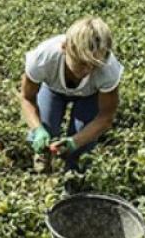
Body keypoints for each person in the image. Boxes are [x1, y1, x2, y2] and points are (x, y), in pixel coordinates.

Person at [20, 17, 122, 174]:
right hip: (53, 90)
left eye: (94, 65)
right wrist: (37, 129)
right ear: (64, 48)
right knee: (47, 128)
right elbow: (27, 98)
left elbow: (105, 117)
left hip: (89, 96)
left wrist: (75, 142)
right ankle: (43, 160)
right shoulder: (43, 58)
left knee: (83, 141)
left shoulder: (107, 69)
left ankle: (74, 172)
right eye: (81, 63)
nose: (87, 71)